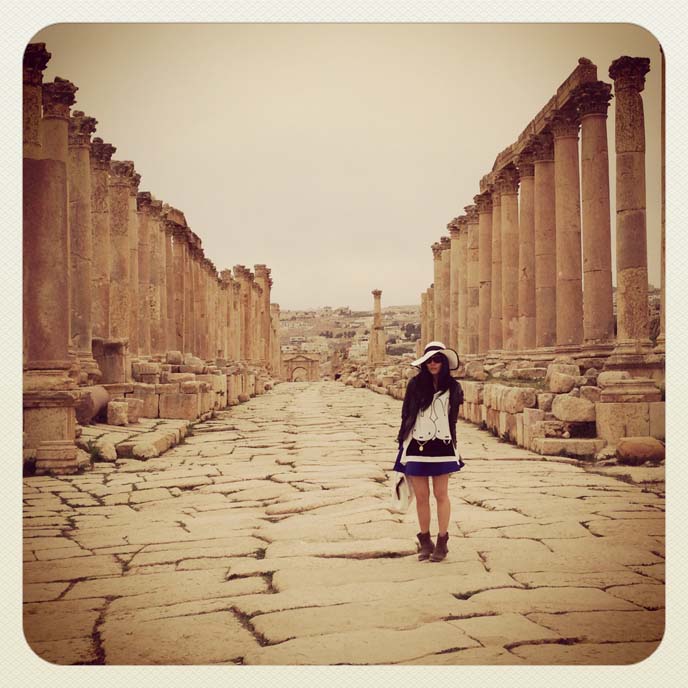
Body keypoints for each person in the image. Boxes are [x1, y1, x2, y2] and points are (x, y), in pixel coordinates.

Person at [394, 341, 464, 562]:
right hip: (417, 445)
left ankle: (442, 541)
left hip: (442, 446)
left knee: (441, 494)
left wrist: (455, 445)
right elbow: (407, 414)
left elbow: (452, 420)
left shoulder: (454, 387)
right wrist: (401, 442)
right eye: (429, 360)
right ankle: (425, 541)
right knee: (422, 496)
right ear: (424, 363)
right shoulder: (415, 384)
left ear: (443, 362)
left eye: (437, 360)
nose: (433, 363)